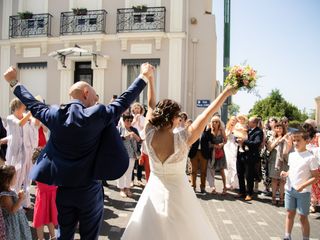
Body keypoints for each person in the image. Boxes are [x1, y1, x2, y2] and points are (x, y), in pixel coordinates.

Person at [3, 64, 153, 239]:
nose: (96, 101)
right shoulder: (98, 113)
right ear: (86, 93)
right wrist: (143, 76)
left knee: (64, 235)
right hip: (89, 189)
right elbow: (125, 100)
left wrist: (13, 82)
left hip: (64, 189)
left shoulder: (54, 114)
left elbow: (32, 104)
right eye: (95, 97)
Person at [121, 66, 236, 240]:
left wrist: (150, 79)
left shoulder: (149, 131)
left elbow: (151, 104)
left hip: (154, 192)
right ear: (173, 119)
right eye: (178, 117)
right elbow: (207, 114)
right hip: (179, 195)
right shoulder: (184, 138)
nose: (179, 119)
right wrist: (225, 93)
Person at [280, 130, 319, 240]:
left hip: (303, 192)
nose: (296, 143)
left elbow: (316, 177)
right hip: (289, 189)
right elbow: (293, 170)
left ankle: (305, 238)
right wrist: (286, 173)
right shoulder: (292, 155)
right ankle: (287, 236)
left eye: (298, 140)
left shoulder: (310, 158)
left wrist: (302, 186)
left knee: (303, 217)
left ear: (306, 141)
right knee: (289, 213)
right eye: (294, 140)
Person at [5, 98, 39, 209]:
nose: (25, 108)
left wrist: (37, 110)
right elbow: (20, 123)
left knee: (28, 178)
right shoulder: (10, 118)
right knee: (16, 178)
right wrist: (30, 114)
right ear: (18, 107)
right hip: (16, 153)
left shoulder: (26, 116)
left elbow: (37, 123)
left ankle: (26, 202)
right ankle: (15, 203)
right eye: (23, 106)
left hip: (27, 152)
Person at [0, 165, 32, 240]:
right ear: (8, 179)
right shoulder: (5, 196)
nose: (16, 178)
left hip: (16, 221)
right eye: (15, 176)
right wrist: (20, 199)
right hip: (11, 224)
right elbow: (12, 210)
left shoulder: (10, 190)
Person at [236, 116, 263, 201]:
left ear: (254, 123)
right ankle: (241, 192)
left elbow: (257, 143)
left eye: (250, 122)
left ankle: (249, 194)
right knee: (240, 174)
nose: (248, 123)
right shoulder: (246, 130)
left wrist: (244, 141)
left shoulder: (258, 132)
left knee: (249, 176)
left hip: (250, 157)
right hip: (241, 154)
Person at [267, 122, 291, 205]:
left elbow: (288, 150)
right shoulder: (272, 137)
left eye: (280, 128)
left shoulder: (288, 137)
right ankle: (273, 197)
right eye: (276, 128)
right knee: (274, 179)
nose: (278, 129)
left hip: (284, 161)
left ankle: (281, 198)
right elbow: (269, 148)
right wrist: (278, 139)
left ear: (283, 129)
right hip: (274, 161)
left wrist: (286, 141)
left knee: (282, 180)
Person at [117, 113, 141, 198]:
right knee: (121, 172)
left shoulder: (134, 129)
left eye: (131, 120)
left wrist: (134, 135)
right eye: (127, 120)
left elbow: (139, 141)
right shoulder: (119, 129)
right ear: (123, 120)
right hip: (121, 154)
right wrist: (124, 137)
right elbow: (115, 141)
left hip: (132, 153)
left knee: (129, 172)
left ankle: (127, 188)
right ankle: (121, 189)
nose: (129, 122)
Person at [206, 115, 228, 194]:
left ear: (219, 123)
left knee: (222, 170)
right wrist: (214, 145)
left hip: (220, 152)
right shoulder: (209, 130)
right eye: (213, 121)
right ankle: (213, 188)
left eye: (217, 121)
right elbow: (207, 142)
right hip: (212, 153)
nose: (215, 123)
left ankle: (225, 187)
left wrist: (222, 144)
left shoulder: (221, 130)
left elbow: (226, 140)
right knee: (212, 170)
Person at [302, 119, 320, 213]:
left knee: (318, 184)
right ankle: (312, 203)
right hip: (308, 164)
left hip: (317, 164)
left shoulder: (317, 136)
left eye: (308, 126)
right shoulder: (305, 137)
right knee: (312, 185)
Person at [224, 116, 239, 190]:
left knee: (235, 165)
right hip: (228, 147)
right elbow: (225, 137)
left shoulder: (238, 129)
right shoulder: (227, 128)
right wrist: (230, 130)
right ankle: (227, 182)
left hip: (235, 147)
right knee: (228, 165)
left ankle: (234, 183)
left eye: (235, 120)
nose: (233, 121)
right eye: (232, 120)